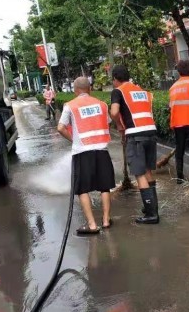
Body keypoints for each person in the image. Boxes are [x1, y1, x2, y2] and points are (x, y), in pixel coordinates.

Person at [57, 77, 116, 234]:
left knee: (82, 189)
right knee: (105, 186)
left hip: (82, 151)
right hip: (102, 150)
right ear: (89, 88)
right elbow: (108, 122)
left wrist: (73, 139)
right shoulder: (102, 105)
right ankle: (105, 220)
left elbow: (61, 127)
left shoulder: (70, 105)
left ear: (75, 91)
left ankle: (91, 225)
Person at [110, 65, 159, 225]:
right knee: (147, 170)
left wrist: (119, 126)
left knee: (139, 173)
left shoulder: (118, 91)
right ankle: (152, 208)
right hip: (151, 132)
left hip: (136, 135)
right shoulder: (142, 91)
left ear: (115, 79)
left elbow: (114, 112)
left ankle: (151, 214)